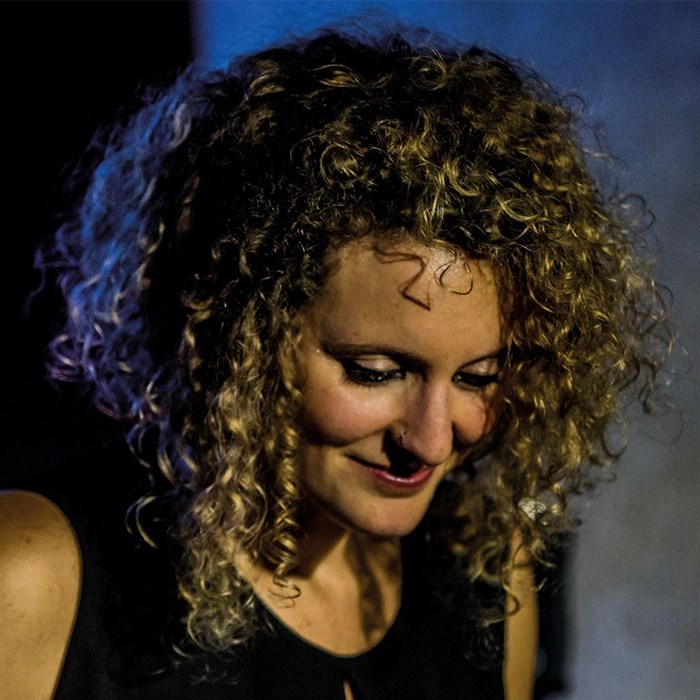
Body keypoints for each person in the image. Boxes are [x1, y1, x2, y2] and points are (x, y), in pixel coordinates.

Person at [0, 22, 670, 700]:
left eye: (478, 378)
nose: (432, 442)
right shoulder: (33, 575)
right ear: (240, 336)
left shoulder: (488, 573)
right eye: (376, 372)